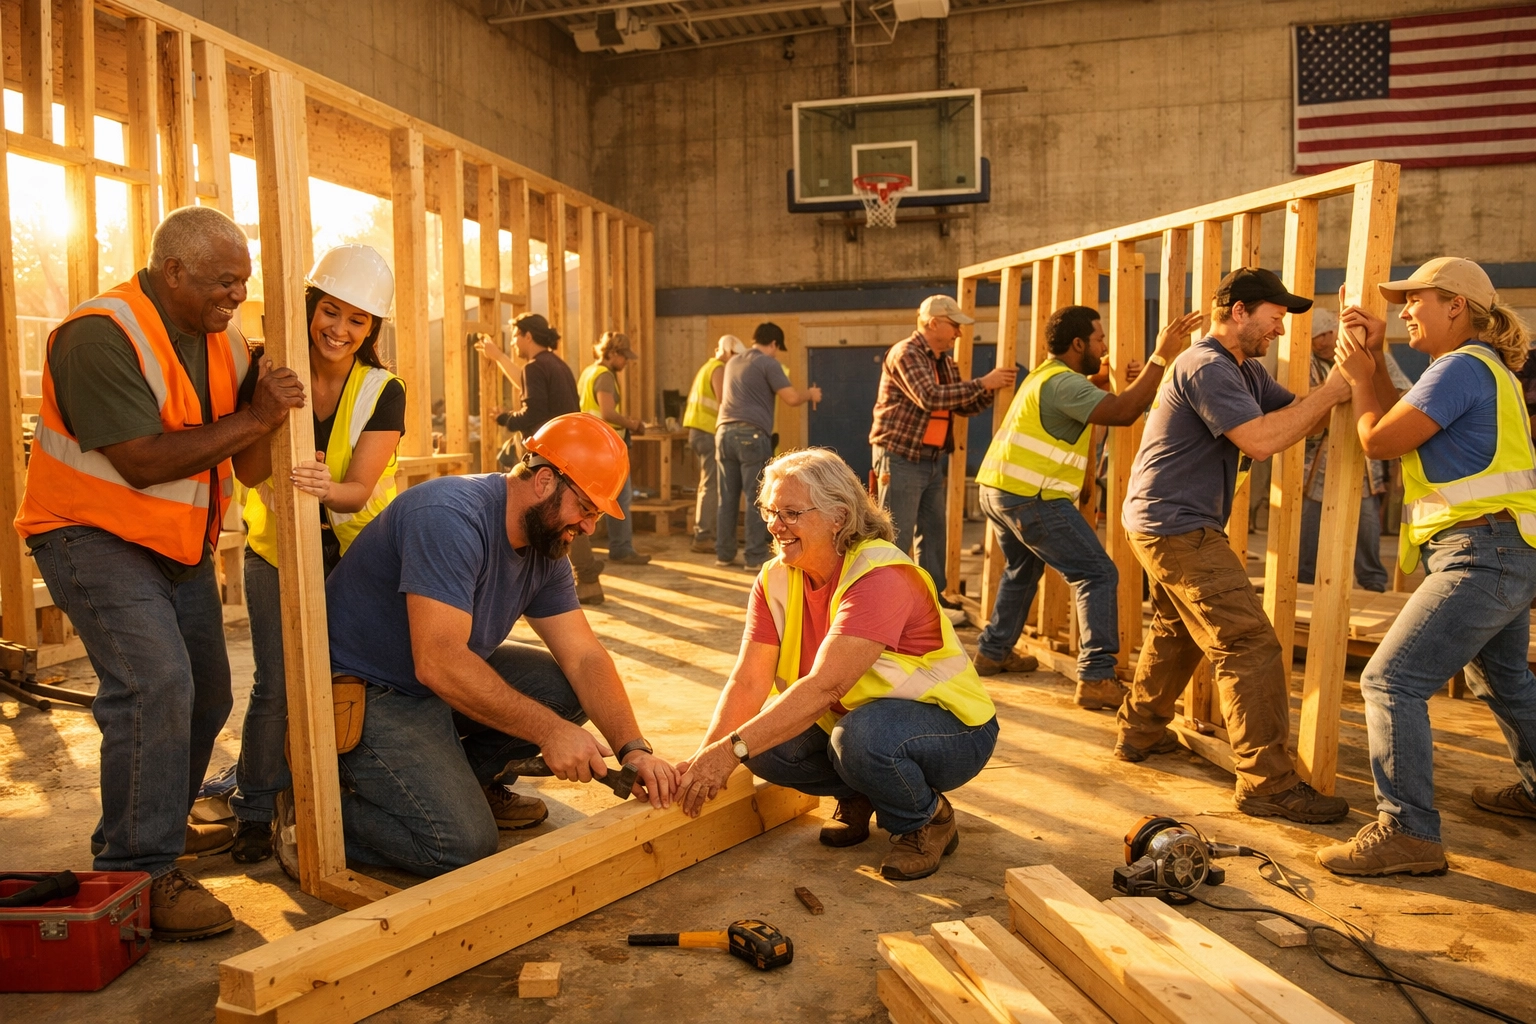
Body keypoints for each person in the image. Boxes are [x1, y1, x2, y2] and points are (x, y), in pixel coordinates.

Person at [16, 206, 305, 939]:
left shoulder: (223, 339)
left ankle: (158, 823)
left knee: (208, 695)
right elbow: (143, 462)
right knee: (155, 686)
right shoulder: (98, 335)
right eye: (222, 284)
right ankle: (138, 868)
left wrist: (283, 402)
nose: (236, 298)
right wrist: (257, 416)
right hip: (90, 535)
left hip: (176, 545)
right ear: (172, 271)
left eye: (242, 285)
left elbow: (244, 457)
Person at [323, 413, 680, 875]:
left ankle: (465, 784)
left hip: (431, 682)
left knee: (565, 690)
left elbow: (583, 655)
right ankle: (309, 807)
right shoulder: (450, 517)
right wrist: (550, 732)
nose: (589, 526)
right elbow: (439, 662)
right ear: (546, 480)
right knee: (459, 844)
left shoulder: (545, 543)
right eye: (586, 509)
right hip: (371, 689)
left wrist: (634, 748)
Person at [677, 448, 997, 881]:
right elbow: (749, 681)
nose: (775, 525)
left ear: (838, 518)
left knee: (860, 739)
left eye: (791, 512)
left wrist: (729, 749)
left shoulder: (879, 576)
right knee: (762, 741)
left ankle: (926, 819)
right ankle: (864, 794)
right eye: (770, 511)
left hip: (952, 730)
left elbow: (826, 687)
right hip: (860, 724)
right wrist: (707, 758)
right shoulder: (774, 577)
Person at [1316, 259, 1536, 876]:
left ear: (1456, 307)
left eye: (1415, 300)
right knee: (1504, 681)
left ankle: (1408, 830)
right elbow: (1398, 425)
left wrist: (1361, 373)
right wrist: (1378, 361)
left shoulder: (1459, 367)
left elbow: (1378, 440)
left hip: (1482, 554)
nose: (1405, 310)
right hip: (1503, 550)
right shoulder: (1478, 369)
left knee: (1390, 681)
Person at [1117, 267, 1355, 824]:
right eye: (1274, 319)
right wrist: (1336, 387)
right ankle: (1268, 784)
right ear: (1240, 310)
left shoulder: (1243, 371)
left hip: (1164, 520)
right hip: (1177, 523)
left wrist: (1343, 379)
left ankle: (1139, 732)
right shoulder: (1206, 365)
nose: (1279, 331)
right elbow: (1263, 439)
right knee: (1248, 643)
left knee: (1178, 633)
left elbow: (1300, 413)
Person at [227, 245, 403, 866]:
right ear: (311, 306)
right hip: (275, 553)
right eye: (331, 311)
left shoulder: (383, 390)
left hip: (356, 564)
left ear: (372, 328)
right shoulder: (270, 372)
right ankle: (253, 809)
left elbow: (359, 490)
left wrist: (327, 490)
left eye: (358, 320)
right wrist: (265, 410)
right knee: (275, 684)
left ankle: (329, 802)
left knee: (342, 684)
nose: (340, 329)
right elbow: (247, 470)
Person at [974, 305, 1205, 705]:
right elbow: (1124, 411)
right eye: (1099, 339)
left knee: (1022, 569)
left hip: (1000, 491)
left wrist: (1131, 380)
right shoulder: (1065, 384)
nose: (1104, 346)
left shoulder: (1046, 376)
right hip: (1033, 497)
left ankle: (992, 652)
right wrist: (1160, 356)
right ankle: (1097, 677)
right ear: (1078, 343)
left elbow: (1106, 393)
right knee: (1097, 573)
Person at [870, 295, 1016, 598]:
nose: (959, 333)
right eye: (954, 326)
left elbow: (963, 404)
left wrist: (993, 389)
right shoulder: (905, 353)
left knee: (934, 536)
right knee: (894, 536)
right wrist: (983, 384)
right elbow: (930, 397)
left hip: (930, 459)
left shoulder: (944, 363)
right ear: (932, 323)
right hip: (900, 457)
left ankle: (930, 603)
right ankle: (881, 603)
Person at [479, 313, 604, 604]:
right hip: (567, 454)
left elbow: (532, 413)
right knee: (570, 516)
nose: (513, 343)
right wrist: (498, 358)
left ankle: (543, 586)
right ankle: (587, 581)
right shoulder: (558, 366)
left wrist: (503, 418)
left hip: (547, 458)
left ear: (528, 336)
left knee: (543, 517)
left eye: (514, 336)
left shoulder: (534, 368)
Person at [1296, 308, 1410, 593]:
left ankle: (1374, 586)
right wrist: (1332, 391)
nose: (1320, 342)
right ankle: (1302, 588)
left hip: (1362, 464)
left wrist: (1362, 384)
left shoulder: (1372, 355)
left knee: (1367, 531)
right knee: (1308, 533)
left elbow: (1401, 395)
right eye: (1315, 337)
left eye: (1325, 334)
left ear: (1337, 332)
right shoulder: (1303, 362)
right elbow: (1296, 405)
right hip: (1316, 466)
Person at [714, 323, 821, 570]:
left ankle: (724, 554)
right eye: (777, 348)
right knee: (756, 498)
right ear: (773, 344)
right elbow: (792, 398)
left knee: (727, 498)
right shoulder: (767, 363)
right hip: (751, 435)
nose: (776, 353)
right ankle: (753, 557)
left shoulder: (733, 362)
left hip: (723, 433)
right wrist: (811, 394)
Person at [578, 331, 650, 566]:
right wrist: (633, 424)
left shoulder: (588, 372)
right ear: (613, 353)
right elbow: (608, 412)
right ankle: (621, 548)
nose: (626, 362)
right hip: (606, 446)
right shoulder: (606, 376)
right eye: (624, 357)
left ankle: (595, 547)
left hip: (591, 443)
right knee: (620, 498)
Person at [685, 335, 746, 554]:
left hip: (700, 431)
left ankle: (705, 533)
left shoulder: (707, 367)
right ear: (729, 351)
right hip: (709, 432)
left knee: (707, 484)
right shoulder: (719, 369)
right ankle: (704, 536)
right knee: (712, 485)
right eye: (736, 357)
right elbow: (724, 402)